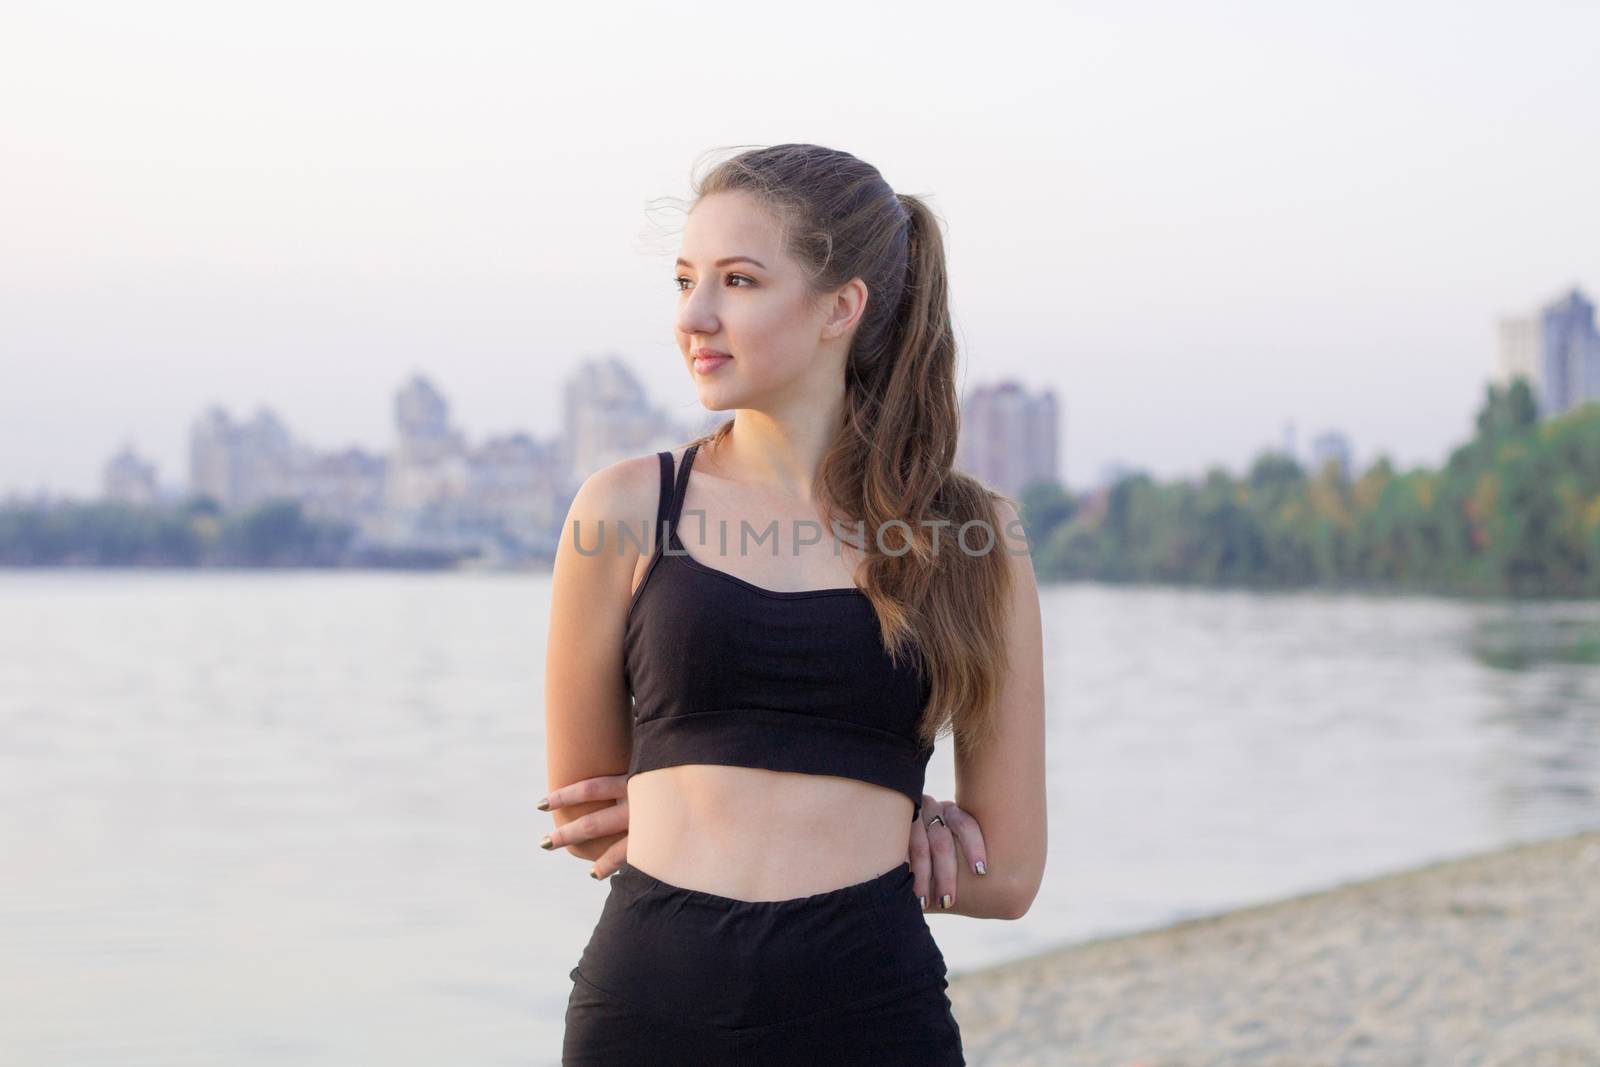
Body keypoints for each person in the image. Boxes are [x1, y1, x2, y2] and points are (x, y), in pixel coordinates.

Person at [541, 143, 1047, 1065]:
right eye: (686, 279)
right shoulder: (620, 511)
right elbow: (587, 812)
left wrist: (879, 824)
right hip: (647, 1011)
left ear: (840, 308)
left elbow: (1008, 875)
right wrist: (706, 812)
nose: (694, 316)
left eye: (737, 281)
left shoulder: (972, 538)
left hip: (869, 1013)